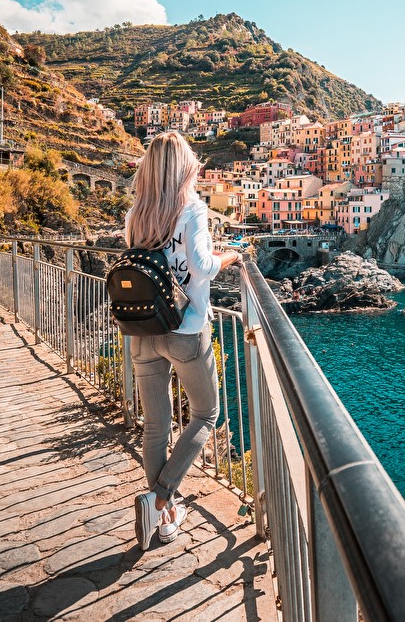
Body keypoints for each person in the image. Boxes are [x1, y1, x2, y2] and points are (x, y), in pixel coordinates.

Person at [124, 132, 240, 550]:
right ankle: (160, 497)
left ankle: (163, 514)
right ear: (183, 166)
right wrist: (233, 255)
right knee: (206, 414)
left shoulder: (136, 213)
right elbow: (204, 267)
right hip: (185, 329)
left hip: (141, 329)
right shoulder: (192, 209)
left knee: (155, 424)